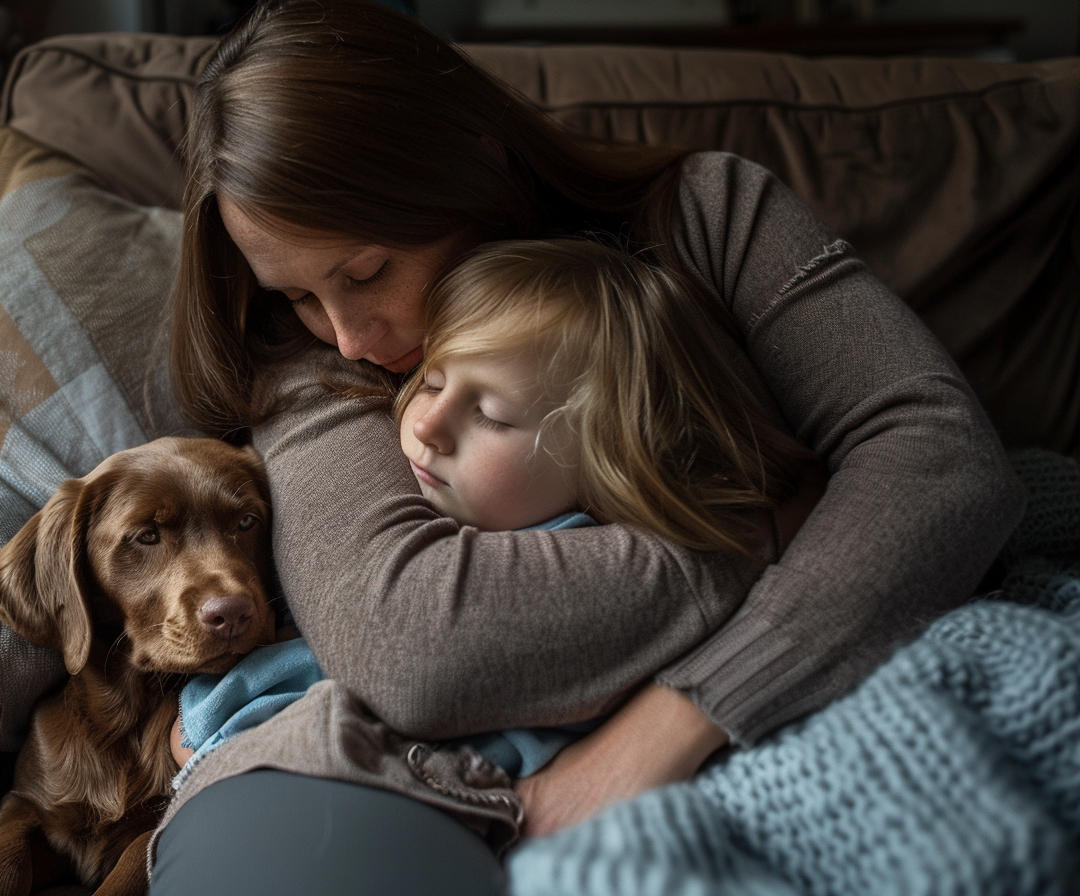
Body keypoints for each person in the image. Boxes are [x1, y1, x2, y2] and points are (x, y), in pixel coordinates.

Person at [151, 1, 1024, 893]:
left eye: (368, 271)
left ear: (472, 163)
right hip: (362, 775)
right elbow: (413, 643)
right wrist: (783, 518)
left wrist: (683, 716)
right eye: (299, 294)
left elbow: (940, 457)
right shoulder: (293, 353)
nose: (348, 337)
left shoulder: (704, 216)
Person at [167, 236, 822, 787]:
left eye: (491, 415)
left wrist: (217, 725)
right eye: (430, 380)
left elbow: (412, 719)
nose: (428, 425)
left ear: (608, 462)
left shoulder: (571, 570)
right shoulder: (419, 515)